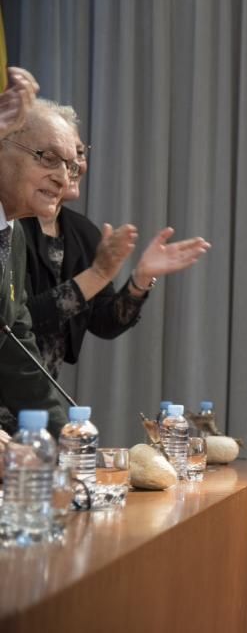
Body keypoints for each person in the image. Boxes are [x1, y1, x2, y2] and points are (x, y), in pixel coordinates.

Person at [17, 103, 211, 381]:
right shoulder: (10, 224)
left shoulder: (82, 231)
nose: (73, 165)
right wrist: (96, 275)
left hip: (39, 398)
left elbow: (105, 323)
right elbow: (20, 320)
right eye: (55, 156)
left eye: (79, 154)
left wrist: (140, 280)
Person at [0, 72, 73, 442]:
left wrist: (71, 439)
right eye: (48, 158)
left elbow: (17, 353)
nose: (62, 177)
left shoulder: (13, 240)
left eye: (70, 165)